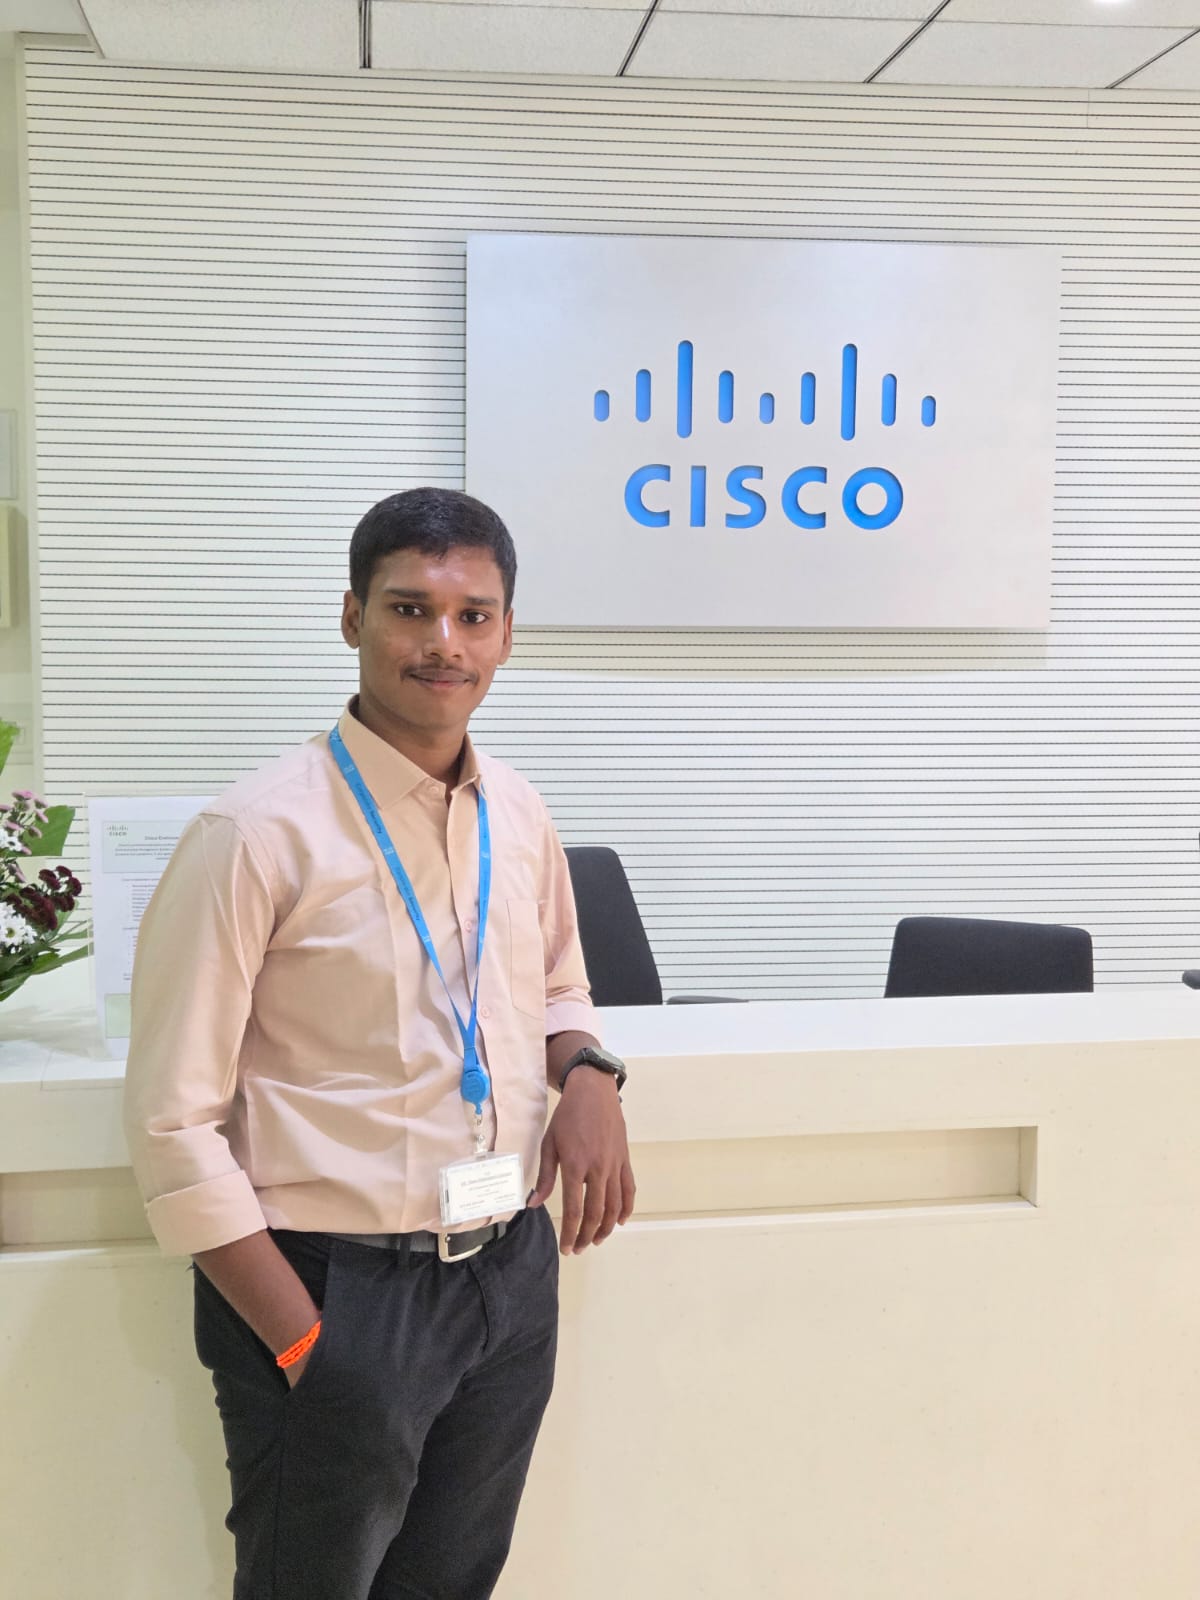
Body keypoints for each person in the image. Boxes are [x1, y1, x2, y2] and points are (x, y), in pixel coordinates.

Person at [123, 487, 635, 1600]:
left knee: (453, 1584)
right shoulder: (256, 833)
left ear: (506, 631)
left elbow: (559, 981)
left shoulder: (522, 811)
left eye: (473, 615)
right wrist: (307, 1343)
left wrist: (586, 1066)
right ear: (351, 616)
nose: (443, 644)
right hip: (333, 1288)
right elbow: (171, 1122)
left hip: (504, 1275)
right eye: (411, 608)